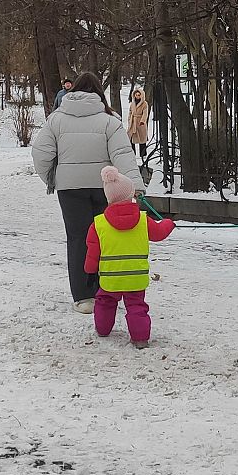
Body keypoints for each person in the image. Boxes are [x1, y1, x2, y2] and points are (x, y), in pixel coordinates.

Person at [30, 72, 144, 314]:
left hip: (69, 189)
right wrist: (136, 187)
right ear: (99, 92)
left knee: (78, 238)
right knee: (106, 238)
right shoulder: (110, 119)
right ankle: (105, 290)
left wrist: (52, 178)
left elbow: (40, 153)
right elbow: (123, 155)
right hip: (105, 188)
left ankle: (83, 297)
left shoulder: (56, 119)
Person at [86, 166, 175, 348]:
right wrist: (169, 223)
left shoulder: (98, 224)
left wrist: (89, 270)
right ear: (131, 194)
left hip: (110, 277)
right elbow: (159, 232)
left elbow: (92, 252)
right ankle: (140, 339)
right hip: (136, 276)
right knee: (136, 306)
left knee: (105, 301)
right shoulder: (143, 220)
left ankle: (103, 329)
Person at [126, 87, 150, 163]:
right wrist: (130, 119)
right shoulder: (132, 104)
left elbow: (145, 113)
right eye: (136, 95)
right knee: (131, 138)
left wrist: (143, 121)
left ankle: (143, 154)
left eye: (139, 95)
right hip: (133, 123)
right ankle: (132, 154)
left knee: (142, 139)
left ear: (142, 95)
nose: (137, 96)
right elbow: (130, 112)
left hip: (140, 124)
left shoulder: (144, 104)